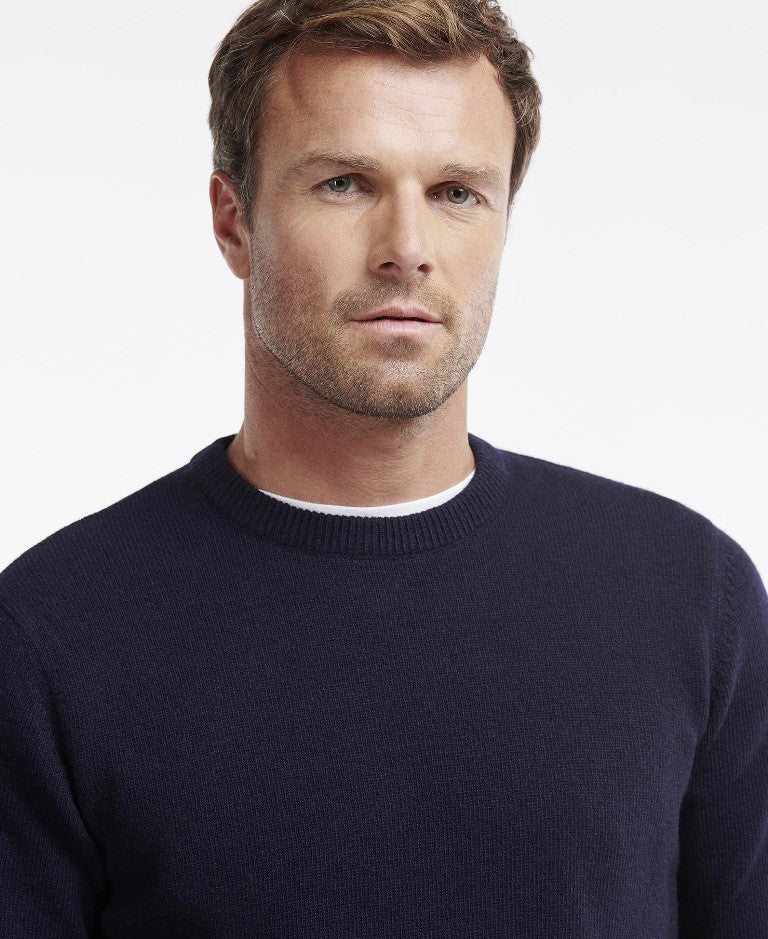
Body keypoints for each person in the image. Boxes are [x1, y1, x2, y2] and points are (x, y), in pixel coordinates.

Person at [1, 0, 766, 934]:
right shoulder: (52, 633)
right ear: (234, 221)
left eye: (456, 192)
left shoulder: (689, 598)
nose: (407, 250)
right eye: (344, 183)